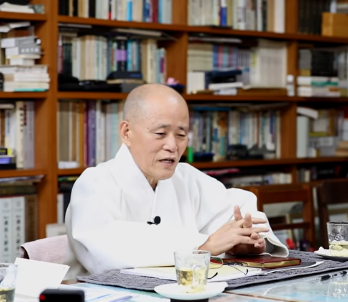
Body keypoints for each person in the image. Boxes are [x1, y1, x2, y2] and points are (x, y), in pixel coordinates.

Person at [65, 84, 288, 276]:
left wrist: (244, 243)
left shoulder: (187, 178)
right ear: (127, 132)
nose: (172, 146)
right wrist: (203, 246)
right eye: (160, 134)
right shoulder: (94, 183)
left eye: (181, 135)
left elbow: (235, 209)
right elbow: (106, 247)